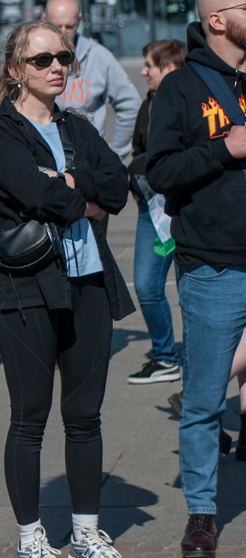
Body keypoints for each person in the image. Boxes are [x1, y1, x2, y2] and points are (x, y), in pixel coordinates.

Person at [0, 21, 132, 558]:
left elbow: (117, 189)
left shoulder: (78, 126)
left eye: (63, 57)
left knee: (85, 415)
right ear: (16, 70)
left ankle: (87, 531)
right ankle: (31, 536)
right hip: (26, 287)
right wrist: (71, 192)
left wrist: (70, 187)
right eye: (43, 59)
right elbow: (35, 194)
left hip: (87, 281)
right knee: (30, 417)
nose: (56, 67)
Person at [145, 0, 246, 558]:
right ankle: (202, 513)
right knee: (206, 399)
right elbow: (160, 171)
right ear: (217, 20)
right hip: (214, 264)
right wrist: (223, 150)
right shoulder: (181, 89)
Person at [126, 40, 187, 385]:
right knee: (148, 286)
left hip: (183, 210)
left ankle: (194, 363)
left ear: (170, 68)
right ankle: (165, 357)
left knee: (190, 290)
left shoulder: (188, 101)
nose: (144, 71)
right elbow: (139, 147)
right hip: (151, 211)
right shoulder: (149, 103)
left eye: (150, 65)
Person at [43, 0, 141, 159]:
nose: (63, 33)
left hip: (88, 163)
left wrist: (113, 155)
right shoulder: (32, 59)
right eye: (56, 26)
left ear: (79, 21)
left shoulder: (98, 56)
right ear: (44, 19)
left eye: (69, 26)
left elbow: (131, 104)